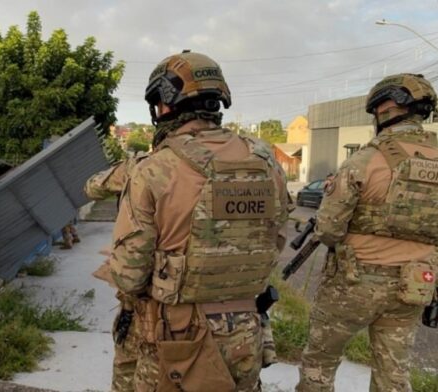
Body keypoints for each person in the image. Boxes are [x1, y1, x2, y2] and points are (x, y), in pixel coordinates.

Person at [110, 50, 290, 392]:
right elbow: (275, 240)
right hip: (246, 333)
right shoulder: (267, 161)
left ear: (164, 104)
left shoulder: (153, 170)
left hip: (177, 339)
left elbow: (129, 275)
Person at [296, 73, 438, 392]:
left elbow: (330, 229)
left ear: (386, 108)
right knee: (394, 373)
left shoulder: (366, 158)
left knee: (320, 363)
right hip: (413, 285)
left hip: (355, 282)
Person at [85, 152, 149, 392]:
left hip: (150, 315)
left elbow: (93, 187)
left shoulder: (145, 166)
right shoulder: (258, 163)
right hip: (235, 325)